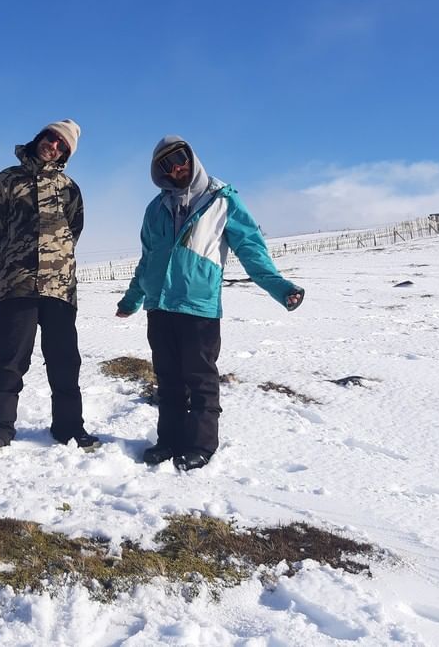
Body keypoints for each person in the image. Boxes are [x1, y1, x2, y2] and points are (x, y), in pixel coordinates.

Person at [116, 135, 304, 471]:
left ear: (191, 157)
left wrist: (279, 287)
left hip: (198, 308)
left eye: (180, 158)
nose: (176, 168)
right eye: (166, 164)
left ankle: (201, 445)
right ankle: (169, 441)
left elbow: (251, 248)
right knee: (168, 379)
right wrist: (132, 300)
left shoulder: (222, 200)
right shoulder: (155, 208)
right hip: (159, 307)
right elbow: (147, 261)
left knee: (201, 379)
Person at [0, 120, 99, 451]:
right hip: (15, 286)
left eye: (63, 145)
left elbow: (73, 230)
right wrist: (10, 260)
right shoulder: (6, 180)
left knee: (64, 361)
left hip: (59, 289)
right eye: (51, 138)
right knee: (11, 360)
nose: (54, 146)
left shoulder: (69, 188)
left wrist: (56, 263)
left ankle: (69, 428)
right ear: (39, 137)